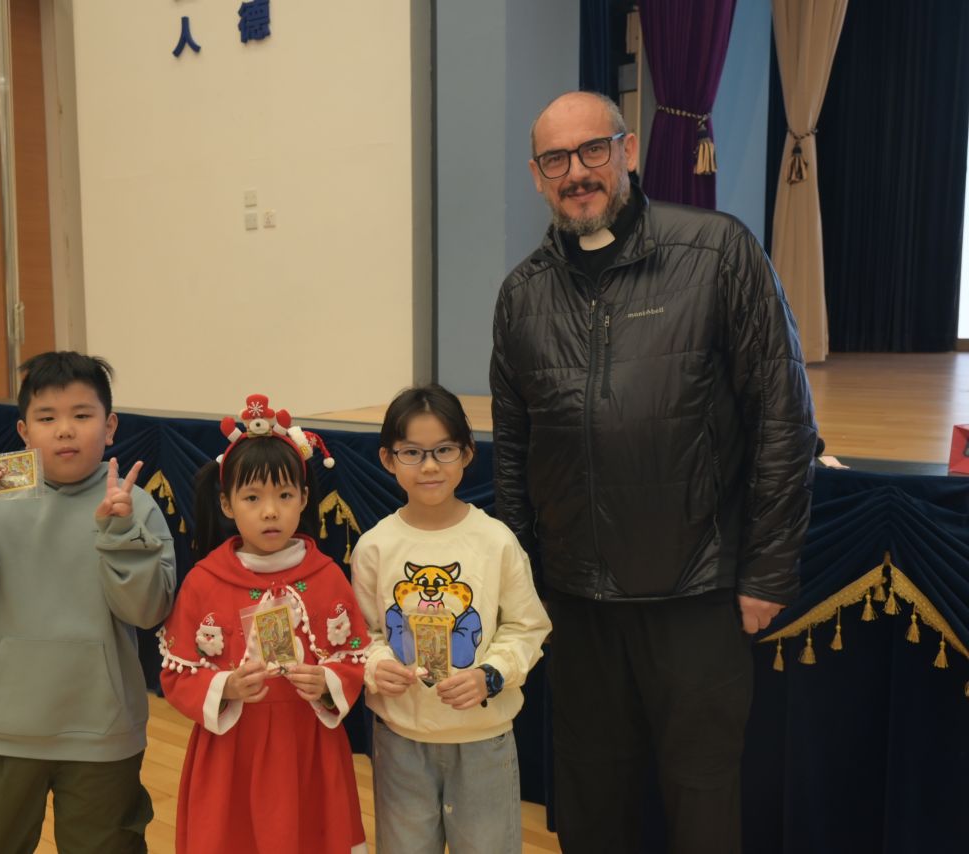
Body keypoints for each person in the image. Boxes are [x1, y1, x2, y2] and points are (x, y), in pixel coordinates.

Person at [490, 91, 817, 853]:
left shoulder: (718, 252)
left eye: (593, 151)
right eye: (556, 160)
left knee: (702, 800)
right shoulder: (521, 295)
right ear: (537, 176)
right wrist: (520, 584)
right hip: (577, 601)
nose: (577, 173)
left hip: (697, 591)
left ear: (628, 151)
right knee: (591, 801)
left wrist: (768, 572)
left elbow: (782, 419)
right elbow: (513, 452)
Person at [0, 351, 176, 854]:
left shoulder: (133, 504)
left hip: (102, 728)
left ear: (110, 427)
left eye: (82, 415)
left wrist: (120, 533)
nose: (65, 430)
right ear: (23, 432)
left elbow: (147, 611)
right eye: (46, 417)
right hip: (6, 726)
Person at [157, 394, 369, 853]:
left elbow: (355, 657)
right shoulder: (204, 581)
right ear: (227, 503)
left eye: (284, 496)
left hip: (308, 745)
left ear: (304, 499)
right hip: (233, 749)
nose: (270, 511)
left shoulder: (327, 577)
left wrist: (328, 681)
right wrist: (225, 687)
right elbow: (177, 673)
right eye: (252, 497)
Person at [351, 384, 550, 853]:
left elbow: (527, 626)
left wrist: (491, 675)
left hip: (483, 739)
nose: (429, 466)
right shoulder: (375, 546)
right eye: (412, 452)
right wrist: (376, 664)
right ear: (387, 459)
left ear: (467, 453)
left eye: (443, 450)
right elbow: (362, 633)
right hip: (401, 739)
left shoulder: (496, 541)